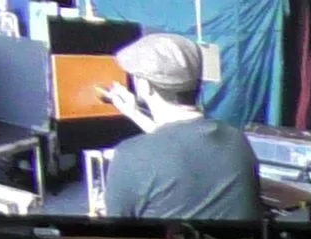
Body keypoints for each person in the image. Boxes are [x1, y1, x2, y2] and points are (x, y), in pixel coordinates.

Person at [98, 33, 262, 222]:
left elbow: (116, 230)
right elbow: (180, 146)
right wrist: (135, 113)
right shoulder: (237, 139)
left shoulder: (130, 155)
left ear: (144, 85)